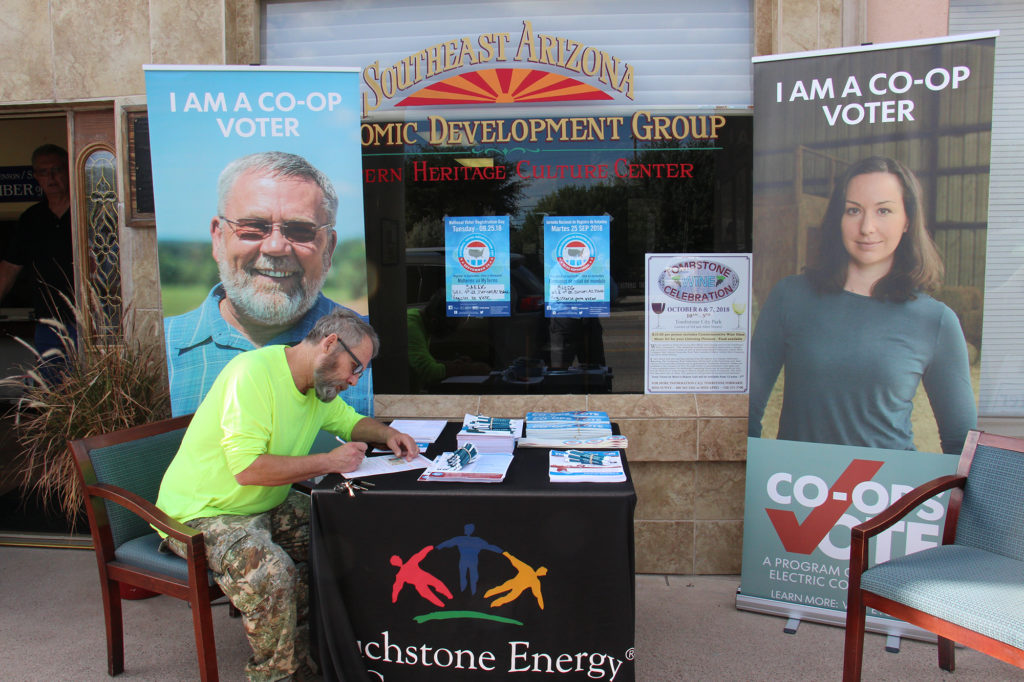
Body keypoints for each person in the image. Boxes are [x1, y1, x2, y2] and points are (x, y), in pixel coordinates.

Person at [156, 307, 417, 681]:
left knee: (344, 530)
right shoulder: (252, 375)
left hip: (266, 503)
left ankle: (323, 653)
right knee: (273, 574)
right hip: (202, 513)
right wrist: (327, 461)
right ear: (329, 344)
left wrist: (386, 434)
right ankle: (277, 675)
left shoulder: (316, 386)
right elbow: (247, 469)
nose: (355, 380)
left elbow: (348, 421)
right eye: (355, 367)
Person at [748, 156, 977, 455]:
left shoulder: (936, 320)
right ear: (838, 219)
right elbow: (746, 410)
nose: (867, 227)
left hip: (890, 497)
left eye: (884, 210)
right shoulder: (790, 297)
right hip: (796, 491)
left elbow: (962, 444)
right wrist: (755, 479)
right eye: (854, 210)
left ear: (907, 219)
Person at [164, 151, 373, 417]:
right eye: (253, 227)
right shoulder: (161, 349)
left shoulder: (370, 353)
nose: (276, 247)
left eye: (300, 231)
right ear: (218, 239)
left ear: (329, 248)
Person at [0, 144, 75, 380]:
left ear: (69, 170)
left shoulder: (87, 211)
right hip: (48, 321)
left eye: (56, 170)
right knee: (51, 390)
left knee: (88, 388)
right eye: (43, 172)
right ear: (35, 177)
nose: (51, 178)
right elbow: (10, 268)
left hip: (90, 321)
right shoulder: (31, 219)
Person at [406, 289, 490, 392]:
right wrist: (468, 369)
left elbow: (420, 362)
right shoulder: (411, 326)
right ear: (434, 322)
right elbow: (428, 371)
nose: (453, 333)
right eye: (450, 328)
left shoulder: (418, 319)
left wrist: (451, 365)